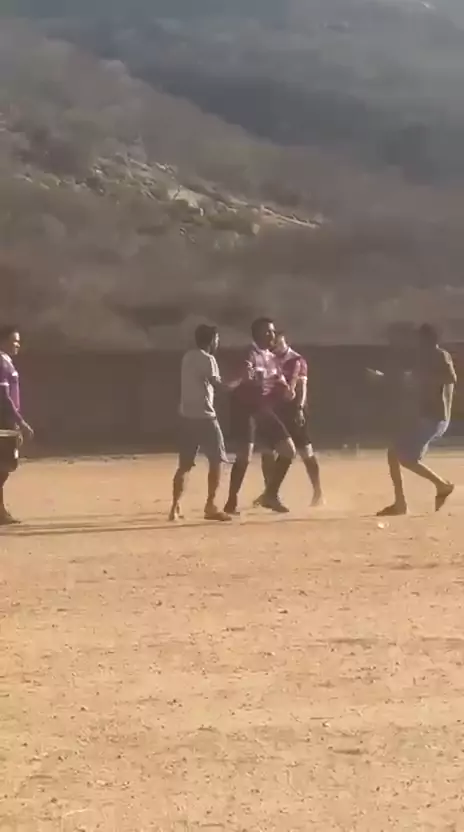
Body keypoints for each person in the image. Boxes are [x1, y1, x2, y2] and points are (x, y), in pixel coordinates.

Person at [372, 323, 457, 516]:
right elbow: (411, 380)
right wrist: (384, 378)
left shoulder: (440, 355)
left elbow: (450, 378)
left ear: (428, 339)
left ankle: (442, 485)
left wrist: (422, 378)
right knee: (394, 453)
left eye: (420, 338)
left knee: (406, 458)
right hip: (424, 416)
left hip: (435, 417)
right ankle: (400, 503)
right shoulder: (424, 358)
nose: (417, 342)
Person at [224, 317, 296, 515]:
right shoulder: (249, 353)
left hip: (262, 409)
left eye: (273, 331)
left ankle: (270, 495)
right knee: (244, 457)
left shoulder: (271, 357)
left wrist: (287, 389)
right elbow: (241, 374)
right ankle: (231, 501)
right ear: (257, 334)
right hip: (244, 410)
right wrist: (243, 376)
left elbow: (279, 379)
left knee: (288, 451)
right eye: (268, 332)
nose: (272, 335)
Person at [169, 324, 231, 522]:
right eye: (217, 339)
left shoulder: (187, 357)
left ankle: (174, 507)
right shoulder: (208, 359)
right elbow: (217, 384)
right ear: (212, 340)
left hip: (186, 416)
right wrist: (238, 383)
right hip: (205, 417)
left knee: (184, 465)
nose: (218, 343)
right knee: (217, 460)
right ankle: (210, 505)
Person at [257, 332, 323, 507]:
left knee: (306, 452)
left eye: (279, 342)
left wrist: (299, 408)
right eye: (274, 343)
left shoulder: (296, 360)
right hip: (275, 411)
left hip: (293, 411)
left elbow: (302, 387)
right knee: (267, 452)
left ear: (286, 342)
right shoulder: (269, 359)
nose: (275, 346)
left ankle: (318, 492)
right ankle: (270, 492)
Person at [0, 326, 34, 525]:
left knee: (5, 466)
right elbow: (3, 398)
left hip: (7, 420)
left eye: (18, 341)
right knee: (4, 466)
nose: (17, 345)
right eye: (14, 341)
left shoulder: (7, 362)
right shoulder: (1, 363)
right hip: (3, 422)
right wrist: (20, 421)